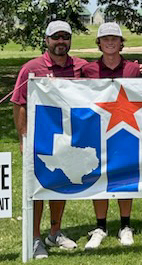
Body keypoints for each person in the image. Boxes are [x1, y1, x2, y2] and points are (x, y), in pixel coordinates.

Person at [11, 20, 84, 259]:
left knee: (60, 184)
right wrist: (23, 138)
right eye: (56, 37)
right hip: (40, 139)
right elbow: (19, 105)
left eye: (65, 37)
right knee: (37, 188)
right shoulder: (31, 68)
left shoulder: (80, 68)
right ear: (46, 40)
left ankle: (55, 232)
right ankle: (34, 237)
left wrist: (137, 71)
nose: (61, 41)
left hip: (69, 137)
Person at [81, 22, 142, 249]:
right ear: (99, 43)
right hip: (97, 130)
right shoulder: (87, 71)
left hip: (127, 128)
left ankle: (125, 225)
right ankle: (101, 225)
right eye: (105, 39)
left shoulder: (133, 70)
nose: (110, 42)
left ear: (121, 43)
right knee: (99, 174)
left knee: (125, 175)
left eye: (114, 39)